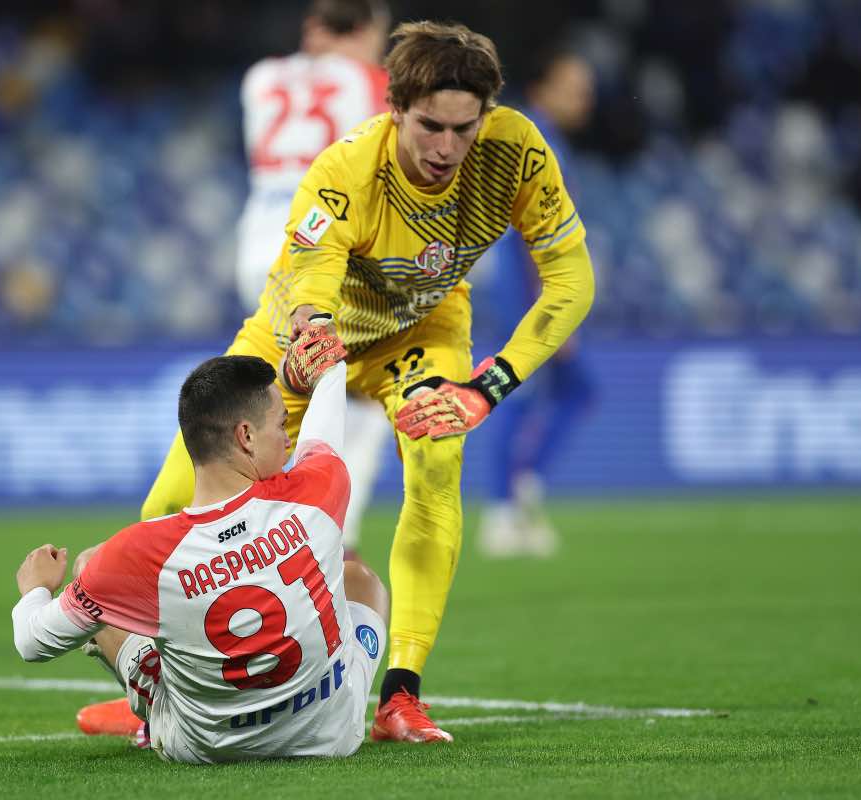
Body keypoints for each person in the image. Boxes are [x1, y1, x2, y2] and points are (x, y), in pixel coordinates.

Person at [142, 20, 595, 743]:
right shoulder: (343, 172)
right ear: (394, 110)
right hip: (301, 331)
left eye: (464, 127)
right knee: (172, 496)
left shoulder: (516, 151)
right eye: (430, 126)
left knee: (438, 462)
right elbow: (309, 288)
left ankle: (401, 696)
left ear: (487, 116)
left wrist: (487, 387)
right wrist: (311, 340)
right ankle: (153, 689)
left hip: (420, 330)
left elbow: (572, 279)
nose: (447, 147)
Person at [12, 338, 391, 763]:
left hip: (204, 747)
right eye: (281, 425)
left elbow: (32, 642)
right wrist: (326, 365)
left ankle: (152, 711)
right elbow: (325, 429)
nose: (287, 441)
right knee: (361, 581)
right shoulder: (317, 490)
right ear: (246, 436)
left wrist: (34, 589)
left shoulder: (142, 552)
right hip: (332, 733)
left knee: (91, 569)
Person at [236, 0, 392, 555]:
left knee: (270, 397)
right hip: (318, 249)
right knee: (359, 399)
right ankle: (329, 536)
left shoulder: (261, 77)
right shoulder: (372, 80)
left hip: (257, 242)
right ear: (368, 31)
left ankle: (249, 530)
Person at [477, 47, 598, 558]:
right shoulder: (541, 141)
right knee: (520, 390)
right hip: (525, 285)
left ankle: (518, 492)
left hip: (517, 281)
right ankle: (505, 507)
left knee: (570, 390)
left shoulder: (539, 139)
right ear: (544, 89)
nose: (584, 100)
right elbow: (533, 233)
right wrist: (553, 307)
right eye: (573, 88)